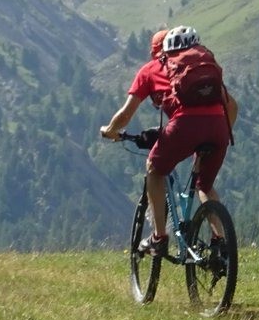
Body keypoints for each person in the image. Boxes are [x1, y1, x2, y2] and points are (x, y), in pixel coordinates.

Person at [99, 25, 232, 253]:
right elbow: (232, 106)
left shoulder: (151, 69)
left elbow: (126, 114)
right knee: (205, 185)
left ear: (155, 52)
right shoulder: (201, 64)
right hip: (219, 126)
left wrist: (110, 130)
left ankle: (159, 238)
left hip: (184, 126)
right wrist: (220, 133)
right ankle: (220, 242)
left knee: (154, 169)